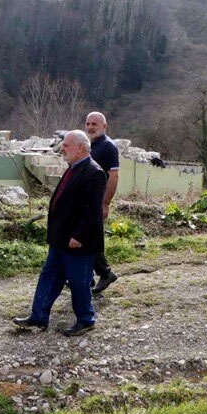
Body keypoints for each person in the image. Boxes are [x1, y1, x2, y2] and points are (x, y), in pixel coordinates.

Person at [13, 130, 106, 336]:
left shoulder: (94, 172)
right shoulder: (73, 168)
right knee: (49, 276)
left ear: (81, 148)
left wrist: (79, 236)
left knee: (78, 282)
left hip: (77, 241)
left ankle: (86, 319)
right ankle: (38, 317)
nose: (62, 148)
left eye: (66, 145)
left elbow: (92, 212)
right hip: (60, 239)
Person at [83, 111, 119, 296]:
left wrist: (106, 203)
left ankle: (105, 273)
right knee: (85, 239)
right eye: (88, 123)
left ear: (104, 126)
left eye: (94, 124)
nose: (90, 127)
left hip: (97, 202)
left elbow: (113, 177)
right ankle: (86, 278)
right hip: (85, 201)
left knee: (92, 240)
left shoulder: (108, 147)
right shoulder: (90, 145)